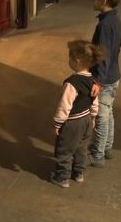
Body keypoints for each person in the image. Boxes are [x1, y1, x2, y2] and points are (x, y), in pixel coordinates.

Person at [51, 40, 102, 188]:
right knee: (81, 148)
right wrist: (93, 117)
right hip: (86, 119)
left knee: (65, 149)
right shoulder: (93, 80)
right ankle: (79, 173)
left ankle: (62, 177)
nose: (68, 60)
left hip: (73, 122)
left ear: (77, 60)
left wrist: (57, 124)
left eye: (69, 58)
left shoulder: (71, 83)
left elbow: (64, 106)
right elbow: (94, 101)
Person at [88, 0, 121, 168]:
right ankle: (107, 146)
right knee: (108, 112)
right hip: (114, 74)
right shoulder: (115, 21)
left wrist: (98, 81)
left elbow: (103, 55)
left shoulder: (105, 25)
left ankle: (98, 153)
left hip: (105, 78)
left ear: (103, 0)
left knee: (101, 115)